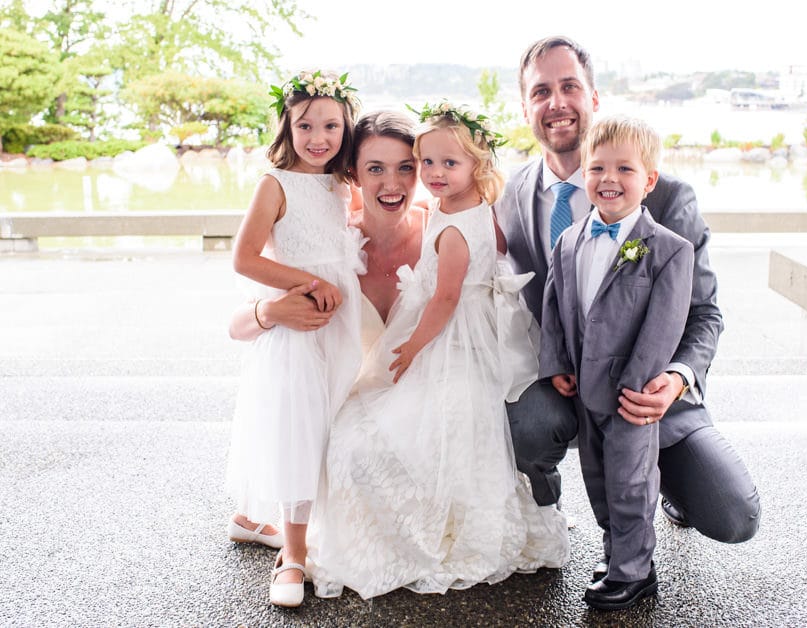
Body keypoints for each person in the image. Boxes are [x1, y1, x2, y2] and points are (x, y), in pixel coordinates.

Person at [494, 36, 761, 553]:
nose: (557, 103)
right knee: (526, 426)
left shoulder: (666, 196)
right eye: (541, 91)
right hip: (564, 384)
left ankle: (664, 484)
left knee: (734, 516)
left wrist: (677, 380)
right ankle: (544, 502)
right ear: (525, 106)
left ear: (594, 98)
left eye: (570, 86)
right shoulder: (511, 193)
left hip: (642, 392)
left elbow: (704, 313)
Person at [311, 102, 568, 600]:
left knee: (418, 428)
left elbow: (448, 296)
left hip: (448, 341)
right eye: (425, 163)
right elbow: (487, 252)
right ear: (353, 175)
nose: (427, 175)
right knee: (359, 431)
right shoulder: (461, 210)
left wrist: (410, 348)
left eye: (417, 166)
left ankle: (433, 534)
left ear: (476, 164)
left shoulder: (448, 222)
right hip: (452, 335)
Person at [541, 115, 693, 610]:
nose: (609, 179)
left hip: (632, 394)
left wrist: (637, 385)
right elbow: (556, 307)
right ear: (583, 173)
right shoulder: (570, 241)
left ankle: (635, 570)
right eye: (597, 167)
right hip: (586, 387)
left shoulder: (668, 250)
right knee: (598, 480)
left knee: (632, 483)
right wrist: (559, 362)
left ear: (648, 181)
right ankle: (616, 553)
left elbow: (664, 328)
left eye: (624, 169)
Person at [224, 69, 363, 608]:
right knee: (300, 431)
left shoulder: (341, 184)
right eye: (306, 125)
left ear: (346, 128)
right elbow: (245, 257)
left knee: (334, 426)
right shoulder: (274, 184)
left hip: (341, 327)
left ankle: (256, 520)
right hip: (299, 328)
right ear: (288, 125)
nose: (318, 137)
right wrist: (308, 283)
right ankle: (294, 557)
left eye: (331, 126)